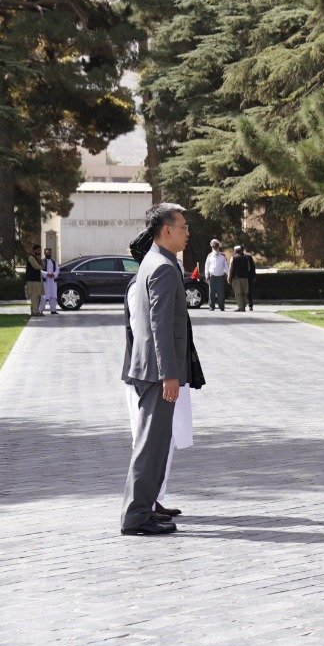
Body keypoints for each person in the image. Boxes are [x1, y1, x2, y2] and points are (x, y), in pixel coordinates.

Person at [119, 203, 195, 536]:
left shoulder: (155, 261)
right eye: (183, 226)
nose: (187, 232)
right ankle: (136, 516)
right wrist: (169, 374)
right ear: (166, 229)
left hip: (150, 369)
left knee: (156, 444)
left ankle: (144, 509)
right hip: (156, 372)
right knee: (151, 446)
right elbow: (160, 325)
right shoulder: (163, 267)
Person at [204, 239, 229, 311]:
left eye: (216, 247)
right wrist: (206, 275)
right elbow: (207, 266)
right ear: (212, 247)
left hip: (221, 277)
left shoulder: (222, 256)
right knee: (211, 292)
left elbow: (226, 266)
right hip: (212, 277)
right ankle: (211, 306)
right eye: (214, 247)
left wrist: (228, 274)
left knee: (221, 293)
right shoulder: (209, 256)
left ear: (218, 247)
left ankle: (221, 306)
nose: (215, 248)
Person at [229, 245, 255, 312]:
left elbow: (231, 269)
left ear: (235, 251)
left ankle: (241, 307)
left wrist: (229, 278)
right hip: (245, 278)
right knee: (244, 293)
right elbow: (249, 268)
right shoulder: (246, 258)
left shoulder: (233, 258)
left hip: (237, 278)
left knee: (238, 293)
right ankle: (243, 306)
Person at [22, 244, 44, 317]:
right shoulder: (31, 257)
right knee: (35, 296)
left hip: (37, 279)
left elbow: (43, 266)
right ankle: (36, 312)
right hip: (32, 280)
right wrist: (41, 265)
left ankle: (33, 311)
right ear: (34, 250)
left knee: (37, 296)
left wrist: (40, 262)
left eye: (40, 250)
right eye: (38, 250)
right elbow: (37, 267)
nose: (39, 252)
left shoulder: (37, 258)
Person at [41, 246, 59, 315]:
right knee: (44, 296)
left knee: (53, 296)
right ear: (44, 253)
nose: (48, 254)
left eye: (49, 252)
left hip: (52, 282)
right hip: (45, 282)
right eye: (47, 252)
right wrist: (46, 274)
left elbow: (57, 270)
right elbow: (40, 270)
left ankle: (53, 310)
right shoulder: (41, 262)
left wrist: (53, 274)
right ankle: (41, 310)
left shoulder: (54, 262)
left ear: (51, 253)